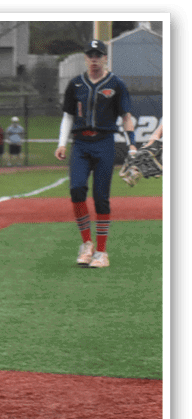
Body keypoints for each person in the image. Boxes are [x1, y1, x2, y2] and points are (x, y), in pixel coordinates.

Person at [55, 39, 135, 269]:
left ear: (105, 57)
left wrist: (132, 145)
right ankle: (86, 244)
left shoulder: (116, 84)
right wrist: (62, 143)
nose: (94, 58)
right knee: (76, 189)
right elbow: (68, 116)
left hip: (103, 142)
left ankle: (101, 252)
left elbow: (126, 117)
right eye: (90, 54)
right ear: (85, 57)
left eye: (98, 54)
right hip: (80, 143)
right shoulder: (76, 84)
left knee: (101, 197)